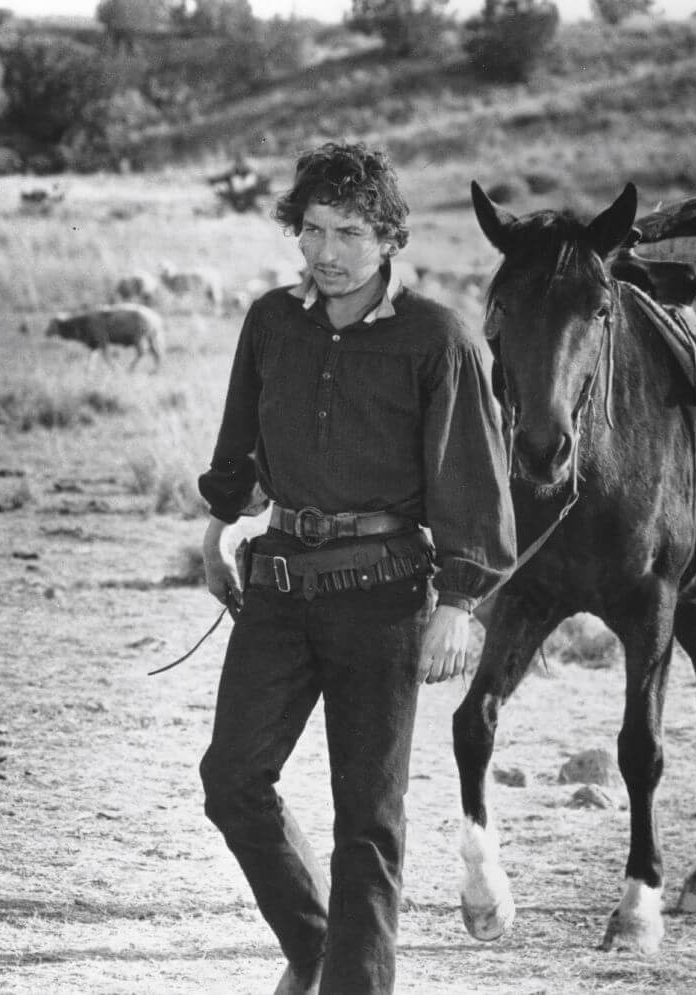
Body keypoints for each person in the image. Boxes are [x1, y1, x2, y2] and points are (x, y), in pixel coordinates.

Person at [197, 142, 516, 995]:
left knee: (368, 822)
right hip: (279, 586)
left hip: (384, 599)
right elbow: (240, 444)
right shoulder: (271, 321)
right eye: (311, 230)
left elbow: (474, 485)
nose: (326, 252)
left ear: (389, 238)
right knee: (231, 780)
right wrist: (219, 528)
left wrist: (461, 601)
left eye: (348, 232)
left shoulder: (435, 337)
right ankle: (319, 947)